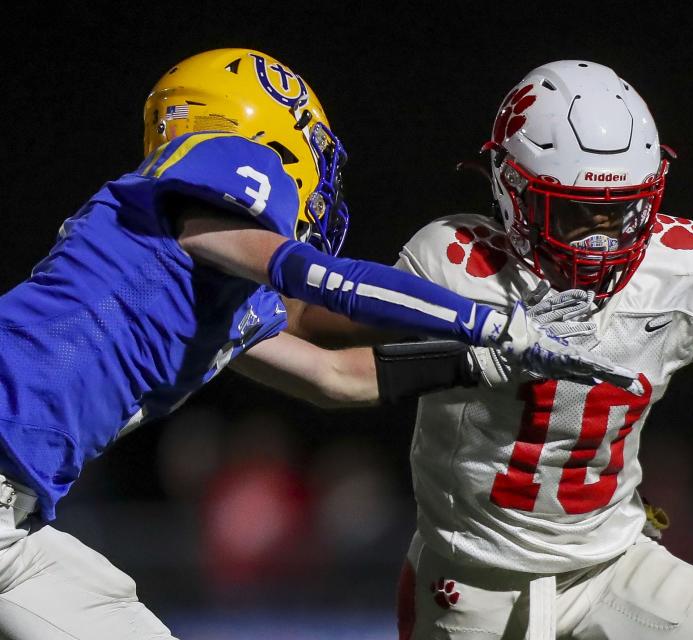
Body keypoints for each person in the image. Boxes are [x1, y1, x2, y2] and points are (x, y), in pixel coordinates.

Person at [0, 49, 632, 640]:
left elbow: (335, 379)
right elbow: (318, 277)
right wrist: (493, 321)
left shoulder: (199, 282)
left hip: (14, 523)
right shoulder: (215, 174)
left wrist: (477, 363)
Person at [365, 61, 693, 639]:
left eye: (621, 210)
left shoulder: (682, 271)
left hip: (612, 566)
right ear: (511, 188)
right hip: (474, 587)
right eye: (576, 211)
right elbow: (321, 356)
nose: (603, 236)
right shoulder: (453, 265)